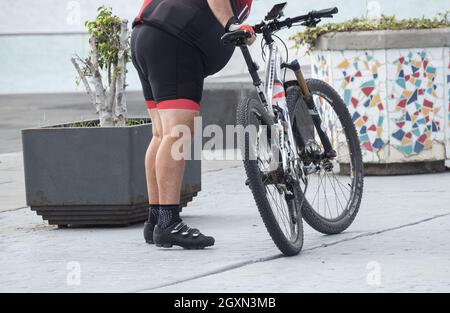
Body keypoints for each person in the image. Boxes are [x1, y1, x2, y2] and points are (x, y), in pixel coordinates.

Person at [131, 0, 255, 249]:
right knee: (177, 132)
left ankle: (155, 219)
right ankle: (168, 224)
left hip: (147, 36)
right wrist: (232, 25)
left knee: (162, 133)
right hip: (175, 40)